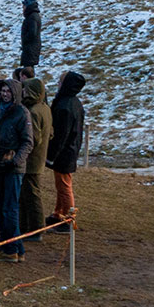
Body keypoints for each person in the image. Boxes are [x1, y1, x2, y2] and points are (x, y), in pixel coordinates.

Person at [0, 78, 33, 260]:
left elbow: (28, 142)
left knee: (9, 208)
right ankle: (9, 244)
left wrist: (16, 160)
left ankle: (12, 249)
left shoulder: (22, 113)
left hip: (13, 168)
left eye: (8, 91)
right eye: (3, 91)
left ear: (15, 93)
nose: (4, 94)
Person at [46, 71, 86, 225]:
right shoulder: (74, 103)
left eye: (61, 81)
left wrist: (51, 155)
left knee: (64, 186)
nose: (58, 84)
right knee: (61, 184)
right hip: (70, 149)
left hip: (64, 152)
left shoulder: (64, 106)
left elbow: (60, 135)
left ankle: (68, 220)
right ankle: (59, 213)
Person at [19, 77, 52, 242]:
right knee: (28, 194)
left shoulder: (33, 112)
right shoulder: (44, 108)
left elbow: (33, 138)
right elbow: (50, 133)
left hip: (31, 160)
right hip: (38, 158)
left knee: (32, 195)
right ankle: (27, 227)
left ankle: (36, 229)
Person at [19, 0, 41, 70]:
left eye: (24, 6)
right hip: (30, 48)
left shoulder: (32, 17)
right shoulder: (32, 16)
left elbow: (32, 33)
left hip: (30, 48)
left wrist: (25, 39)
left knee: (28, 70)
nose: (23, 8)